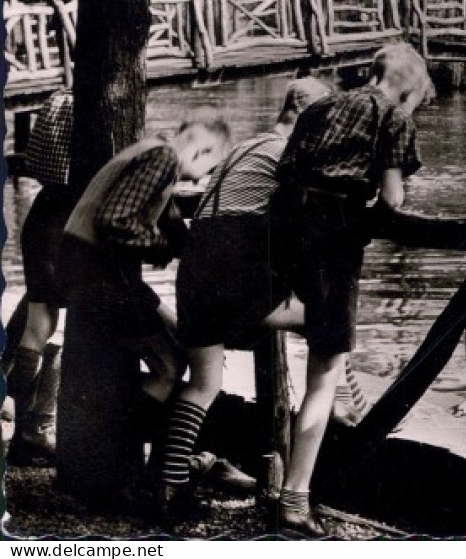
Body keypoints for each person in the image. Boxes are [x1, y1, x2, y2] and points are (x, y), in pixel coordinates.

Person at [266, 43, 432, 537]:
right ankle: (295, 498)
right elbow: (393, 198)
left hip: (283, 225)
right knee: (326, 364)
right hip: (331, 236)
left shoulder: (319, 104)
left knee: (308, 331)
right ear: (408, 87)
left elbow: (285, 168)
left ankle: (342, 403)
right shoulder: (392, 116)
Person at [154, 79, 334, 521]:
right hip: (233, 271)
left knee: (204, 384)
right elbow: (307, 212)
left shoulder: (246, 147)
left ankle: (167, 485)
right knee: (328, 323)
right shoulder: (293, 153)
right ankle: (340, 413)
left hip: (197, 264)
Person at [57, 112, 230, 483]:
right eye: (207, 168)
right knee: (170, 365)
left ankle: (142, 459)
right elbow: (114, 221)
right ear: (202, 150)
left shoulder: (152, 149)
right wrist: (162, 247)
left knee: (180, 337)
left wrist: (192, 247)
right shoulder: (163, 159)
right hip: (97, 274)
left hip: (95, 270)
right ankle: (125, 462)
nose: (200, 179)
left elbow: (169, 225)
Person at [4, 89, 75, 465]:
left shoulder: (58, 100)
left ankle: (18, 427)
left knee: (37, 324)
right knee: (54, 330)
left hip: (43, 213)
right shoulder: (90, 108)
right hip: (67, 219)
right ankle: (36, 428)